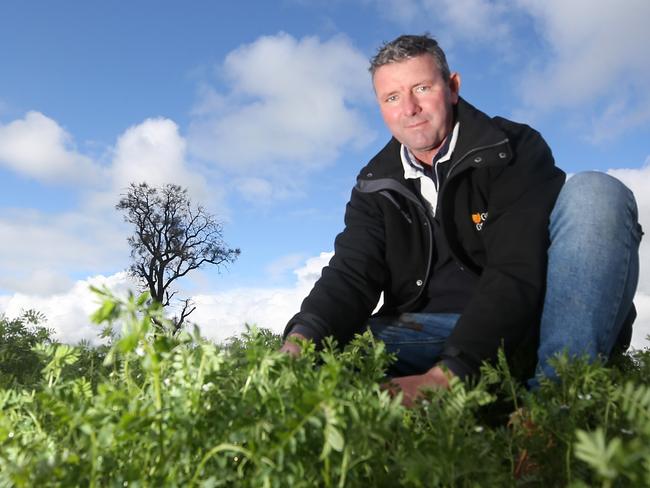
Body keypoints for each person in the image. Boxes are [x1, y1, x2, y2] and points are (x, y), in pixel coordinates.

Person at [280, 34, 641, 406]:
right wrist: (300, 342)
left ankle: (556, 402)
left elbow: (517, 267)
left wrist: (450, 374)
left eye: (421, 88)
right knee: (326, 350)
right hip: (428, 332)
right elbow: (351, 274)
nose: (409, 108)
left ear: (452, 88)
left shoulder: (513, 149)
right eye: (392, 97)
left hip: (531, 329)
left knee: (598, 191)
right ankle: (482, 395)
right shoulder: (374, 184)